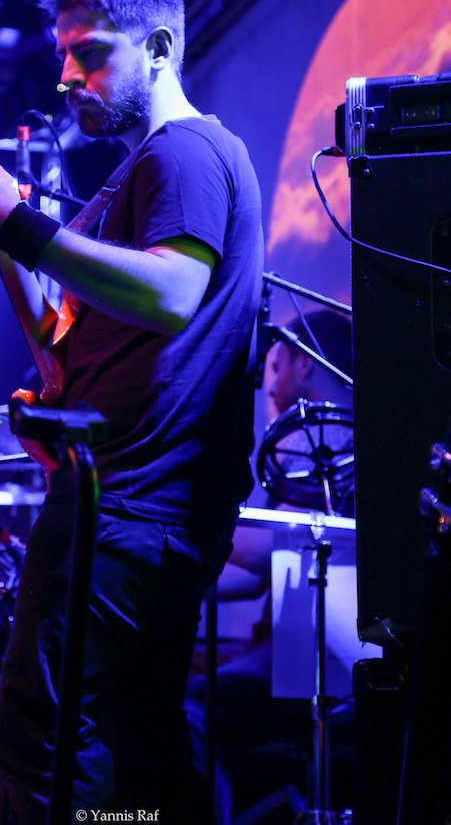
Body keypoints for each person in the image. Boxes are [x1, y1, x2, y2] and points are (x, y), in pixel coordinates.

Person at [0, 0, 263, 823]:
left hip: (129, 507)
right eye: (62, 54)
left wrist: (18, 223)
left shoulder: (184, 151)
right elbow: (62, 332)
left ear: (156, 48)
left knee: (38, 735)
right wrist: (2, 228)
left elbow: (170, 293)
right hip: (140, 505)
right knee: (136, 746)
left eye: (88, 53)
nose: (66, 75)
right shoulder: (137, 175)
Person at [185, 309, 354, 822]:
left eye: (275, 366)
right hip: (282, 646)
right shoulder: (313, 444)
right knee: (160, 671)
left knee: (190, 708)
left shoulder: (329, 443)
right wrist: (169, 583)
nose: (270, 386)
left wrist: (180, 508)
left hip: (309, 657)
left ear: (304, 365)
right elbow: (257, 573)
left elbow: (256, 552)